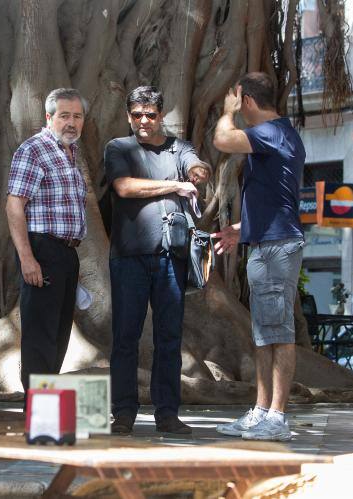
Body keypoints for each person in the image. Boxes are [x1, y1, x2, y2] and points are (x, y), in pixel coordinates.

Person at [104, 86, 210, 435]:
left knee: (169, 338)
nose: (144, 121)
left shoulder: (178, 147)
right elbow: (123, 187)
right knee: (125, 338)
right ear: (128, 116)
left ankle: (167, 413)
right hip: (129, 257)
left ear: (161, 115)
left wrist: (196, 173)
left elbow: (196, 165)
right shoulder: (118, 148)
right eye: (137, 115)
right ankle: (123, 412)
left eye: (150, 114)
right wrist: (174, 187)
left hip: (171, 258)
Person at [212, 72, 305, 442]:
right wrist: (241, 228)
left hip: (277, 247)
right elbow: (275, 197)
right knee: (265, 333)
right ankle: (261, 411)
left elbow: (222, 139)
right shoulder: (278, 136)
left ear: (247, 101)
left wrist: (226, 112)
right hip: (265, 241)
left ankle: (277, 415)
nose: (236, 109)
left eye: (238, 102)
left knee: (278, 333)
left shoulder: (273, 132)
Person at [6, 88, 88, 393]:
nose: (71, 122)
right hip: (41, 249)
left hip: (66, 254)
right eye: (64, 115)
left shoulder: (71, 153)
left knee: (59, 334)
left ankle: (49, 409)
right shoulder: (34, 149)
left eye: (77, 116)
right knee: (40, 336)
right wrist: (27, 259)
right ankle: (36, 410)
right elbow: (14, 205)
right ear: (48, 117)